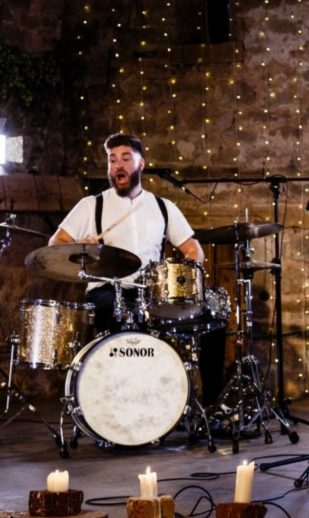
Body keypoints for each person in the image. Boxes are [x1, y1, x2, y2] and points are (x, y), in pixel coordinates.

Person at [49, 133, 225, 404]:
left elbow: (194, 250)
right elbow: (56, 243)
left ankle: (211, 408)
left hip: (151, 293)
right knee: (116, 309)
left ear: (141, 165)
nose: (118, 165)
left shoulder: (163, 207)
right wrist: (80, 246)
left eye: (126, 158)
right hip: (106, 290)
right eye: (112, 160)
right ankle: (122, 402)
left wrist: (181, 276)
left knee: (214, 320)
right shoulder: (91, 205)